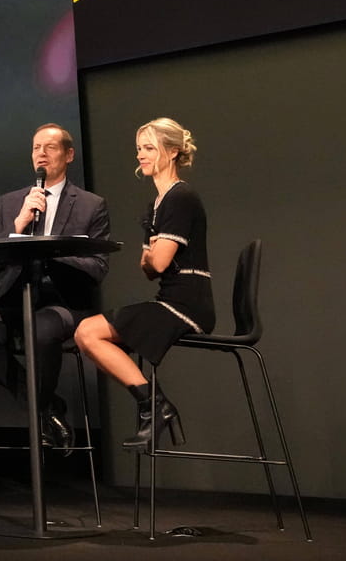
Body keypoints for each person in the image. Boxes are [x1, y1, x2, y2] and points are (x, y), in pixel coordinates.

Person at [0, 124, 110, 452]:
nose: (41, 154)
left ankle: (41, 411)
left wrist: (53, 252)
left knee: (42, 329)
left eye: (50, 147)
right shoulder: (10, 203)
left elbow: (98, 268)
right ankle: (46, 410)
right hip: (15, 298)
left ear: (69, 154)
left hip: (63, 300)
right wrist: (16, 227)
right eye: (35, 148)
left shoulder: (91, 205)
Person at [74, 117, 214, 450]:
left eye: (149, 148)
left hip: (186, 305)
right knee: (87, 333)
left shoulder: (180, 198)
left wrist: (151, 257)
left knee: (87, 332)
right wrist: (151, 258)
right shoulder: (156, 204)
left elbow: (158, 261)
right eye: (139, 149)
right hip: (170, 297)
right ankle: (154, 406)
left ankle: (155, 406)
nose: (140, 155)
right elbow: (149, 269)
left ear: (173, 151)